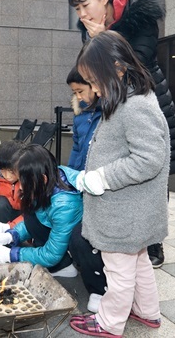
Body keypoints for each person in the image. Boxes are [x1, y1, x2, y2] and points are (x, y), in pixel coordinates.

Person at [69, 0, 175, 268]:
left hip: (145, 98)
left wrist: (102, 38)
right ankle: (119, 232)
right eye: (78, 9)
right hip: (113, 103)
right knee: (120, 166)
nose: (82, 14)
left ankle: (152, 241)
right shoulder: (91, 28)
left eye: (85, 5)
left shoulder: (140, 14)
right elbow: (95, 70)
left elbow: (140, 63)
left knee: (153, 169)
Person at [69, 30, 169, 337]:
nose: (95, 91)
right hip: (132, 213)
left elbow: (149, 158)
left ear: (118, 68)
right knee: (138, 263)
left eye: (95, 81)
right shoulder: (128, 98)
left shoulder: (135, 105)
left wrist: (102, 177)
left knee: (119, 271)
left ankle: (109, 322)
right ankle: (147, 312)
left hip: (125, 214)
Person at [0, 144, 82, 278]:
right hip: (58, 237)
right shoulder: (46, 181)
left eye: (23, 182)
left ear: (42, 179)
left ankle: (63, 266)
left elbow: (52, 254)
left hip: (81, 246)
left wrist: (12, 255)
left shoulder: (64, 204)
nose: (21, 187)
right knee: (30, 213)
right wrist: (11, 235)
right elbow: (35, 219)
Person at [66, 66, 107, 313]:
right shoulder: (81, 116)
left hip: (102, 185)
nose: (79, 97)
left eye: (81, 90)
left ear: (95, 84)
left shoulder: (111, 114)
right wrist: (69, 176)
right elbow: (77, 149)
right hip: (81, 182)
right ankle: (84, 268)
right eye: (75, 92)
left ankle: (100, 288)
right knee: (72, 227)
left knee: (86, 234)